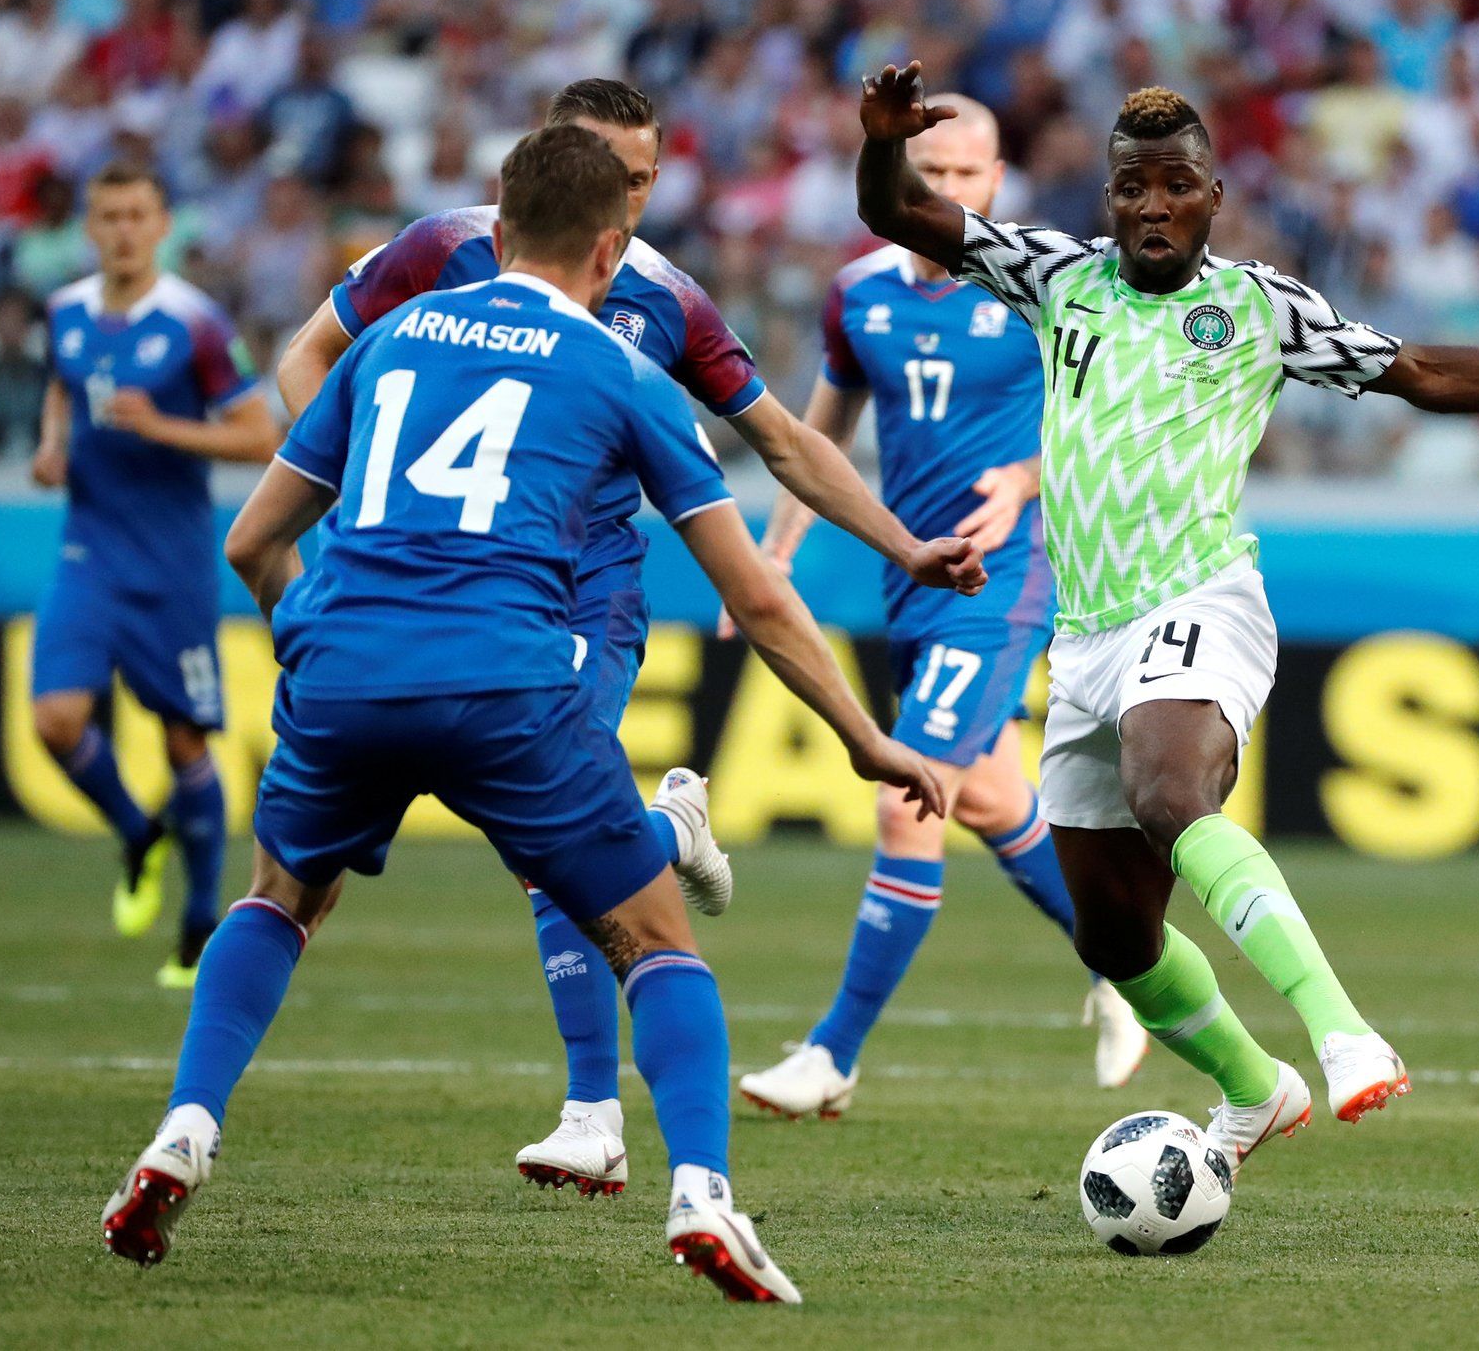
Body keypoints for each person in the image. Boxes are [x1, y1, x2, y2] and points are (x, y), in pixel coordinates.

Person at [99, 126, 951, 1304]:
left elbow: (251, 541)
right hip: (507, 677)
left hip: (344, 665)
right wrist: (864, 737)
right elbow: (755, 595)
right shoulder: (619, 368)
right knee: (656, 939)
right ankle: (701, 1192)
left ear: (495, 231)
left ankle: (181, 1132)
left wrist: (315, 638)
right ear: (609, 253)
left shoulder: (390, 336)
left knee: (280, 897)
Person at [855, 64, 1479, 1173]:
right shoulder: (1054, 275)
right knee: (1114, 937)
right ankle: (1255, 1089)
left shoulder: (1261, 307)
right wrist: (882, 141)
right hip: (1086, 636)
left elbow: (1422, 370)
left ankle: (1342, 1031)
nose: (1153, 205)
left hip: (1199, 596)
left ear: (1213, 197)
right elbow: (896, 210)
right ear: (1108, 198)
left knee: (1171, 793)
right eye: (1132, 187)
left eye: (1176, 186)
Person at [273, 77, 983, 1198]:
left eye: (644, 178)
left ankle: (591, 1112)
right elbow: (305, 358)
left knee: (543, 849)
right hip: (452, 583)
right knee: (540, 845)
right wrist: (367, 517)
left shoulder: (662, 300)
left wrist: (904, 545)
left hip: (585, 585)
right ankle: (660, 847)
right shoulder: (441, 251)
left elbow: (786, 443)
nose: (627, 197)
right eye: (608, 171)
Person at [735, 97, 1149, 1121]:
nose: (950, 191)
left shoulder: (1045, 287)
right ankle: (1131, 966)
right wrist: (775, 554)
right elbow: (816, 439)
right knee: (994, 801)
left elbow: (1124, 415)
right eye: (934, 172)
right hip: (911, 583)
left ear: (997, 181)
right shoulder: (857, 295)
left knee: (905, 794)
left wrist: (1028, 477)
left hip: (1005, 578)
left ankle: (832, 1054)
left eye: (969, 175)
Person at [30, 161, 277, 987]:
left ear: (163, 224)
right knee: (55, 720)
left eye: (138, 215)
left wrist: (163, 427)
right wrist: (51, 444)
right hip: (88, 549)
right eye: (109, 217)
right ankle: (139, 834)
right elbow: (63, 387)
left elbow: (260, 436)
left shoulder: (195, 322)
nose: (124, 231)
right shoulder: (64, 310)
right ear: (90, 227)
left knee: (183, 740)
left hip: (172, 560)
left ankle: (199, 924)